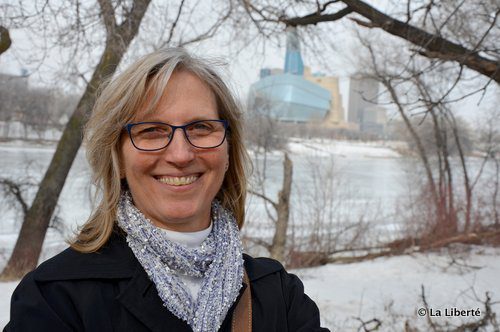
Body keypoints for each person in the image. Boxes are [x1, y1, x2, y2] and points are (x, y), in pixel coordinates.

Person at [5, 48, 329, 332]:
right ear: (116, 155)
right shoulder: (57, 299)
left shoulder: (277, 295)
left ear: (228, 150)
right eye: (151, 131)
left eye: (201, 128)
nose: (180, 155)